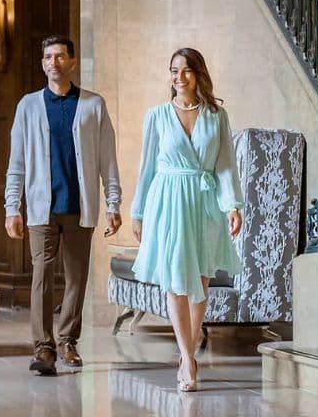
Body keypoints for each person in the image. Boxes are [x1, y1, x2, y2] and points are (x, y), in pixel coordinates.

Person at [4, 35, 122, 376]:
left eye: (60, 56)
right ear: (42, 63)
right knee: (42, 275)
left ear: (72, 62)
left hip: (78, 206)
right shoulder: (28, 106)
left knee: (76, 277)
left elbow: (107, 161)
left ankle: (68, 340)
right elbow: (17, 161)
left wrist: (113, 204)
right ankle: (43, 347)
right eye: (47, 57)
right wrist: (13, 207)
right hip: (41, 207)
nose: (53, 62)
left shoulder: (93, 105)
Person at [131, 47, 243, 392]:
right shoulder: (157, 116)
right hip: (168, 201)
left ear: (198, 74)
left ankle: (186, 354)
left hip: (205, 201)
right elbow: (147, 167)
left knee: (200, 282)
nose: (178, 77)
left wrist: (232, 206)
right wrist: (138, 212)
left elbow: (225, 164)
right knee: (174, 280)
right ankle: (188, 358)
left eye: (185, 71)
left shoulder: (216, 116)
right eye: (173, 71)